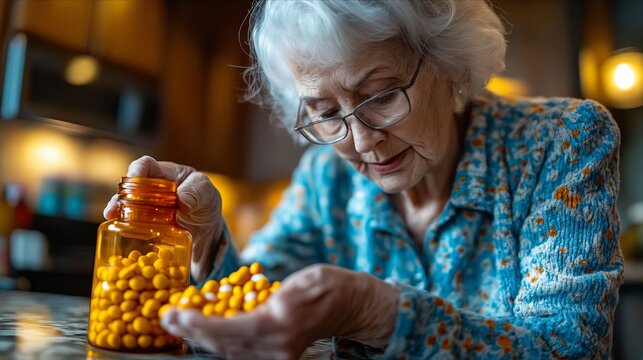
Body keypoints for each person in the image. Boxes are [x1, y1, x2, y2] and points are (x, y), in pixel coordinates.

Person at [104, 0, 623, 358]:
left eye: (380, 95)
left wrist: (375, 313)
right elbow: (256, 304)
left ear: (448, 63)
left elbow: (566, 348)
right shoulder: (325, 176)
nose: (359, 139)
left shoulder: (562, 140)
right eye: (325, 111)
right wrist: (207, 237)